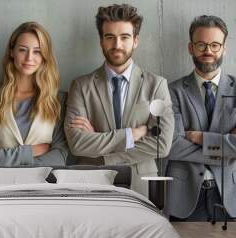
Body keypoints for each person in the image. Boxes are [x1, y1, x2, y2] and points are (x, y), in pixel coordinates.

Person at [64, 4, 174, 197]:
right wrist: (132, 134)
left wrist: (102, 148)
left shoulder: (156, 85)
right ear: (101, 41)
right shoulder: (80, 86)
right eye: (110, 37)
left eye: (125, 37)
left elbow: (161, 145)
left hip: (141, 186)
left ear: (136, 40)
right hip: (91, 185)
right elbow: (77, 143)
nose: (117, 45)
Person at [165, 15, 236, 221]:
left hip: (234, 197)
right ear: (190, 47)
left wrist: (201, 138)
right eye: (201, 44)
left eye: (215, 45)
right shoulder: (172, 91)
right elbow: (173, 146)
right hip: (184, 199)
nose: (208, 51)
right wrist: (230, 141)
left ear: (224, 48)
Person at [0, 22, 68, 166]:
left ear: (44, 56)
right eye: (23, 50)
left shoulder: (58, 100)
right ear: (12, 52)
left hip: (44, 186)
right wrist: (29, 152)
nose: (29, 58)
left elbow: (60, 158)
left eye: (37, 51)